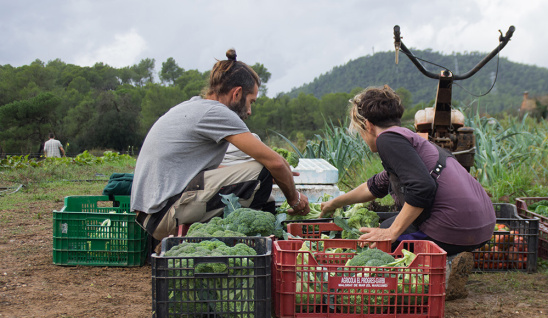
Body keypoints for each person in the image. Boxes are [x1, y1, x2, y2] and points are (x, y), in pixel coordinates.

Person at [320, 85, 496, 300]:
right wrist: (335, 203)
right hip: (481, 226)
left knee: (377, 241)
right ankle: (450, 260)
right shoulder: (411, 140)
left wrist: (391, 232)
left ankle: (442, 275)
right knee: (386, 228)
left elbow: (422, 187)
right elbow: (374, 186)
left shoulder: (387, 139)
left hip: (454, 227)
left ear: (367, 125)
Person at [131, 49, 310, 242]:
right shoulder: (217, 112)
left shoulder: (195, 106)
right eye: (251, 102)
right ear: (237, 93)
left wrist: (257, 176)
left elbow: (203, 172)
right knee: (263, 172)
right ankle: (237, 246)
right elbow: (276, 163)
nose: (249, 111)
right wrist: (295, 200)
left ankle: (248, 245)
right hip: (164, 214)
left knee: (264, 194)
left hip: (154, 214)